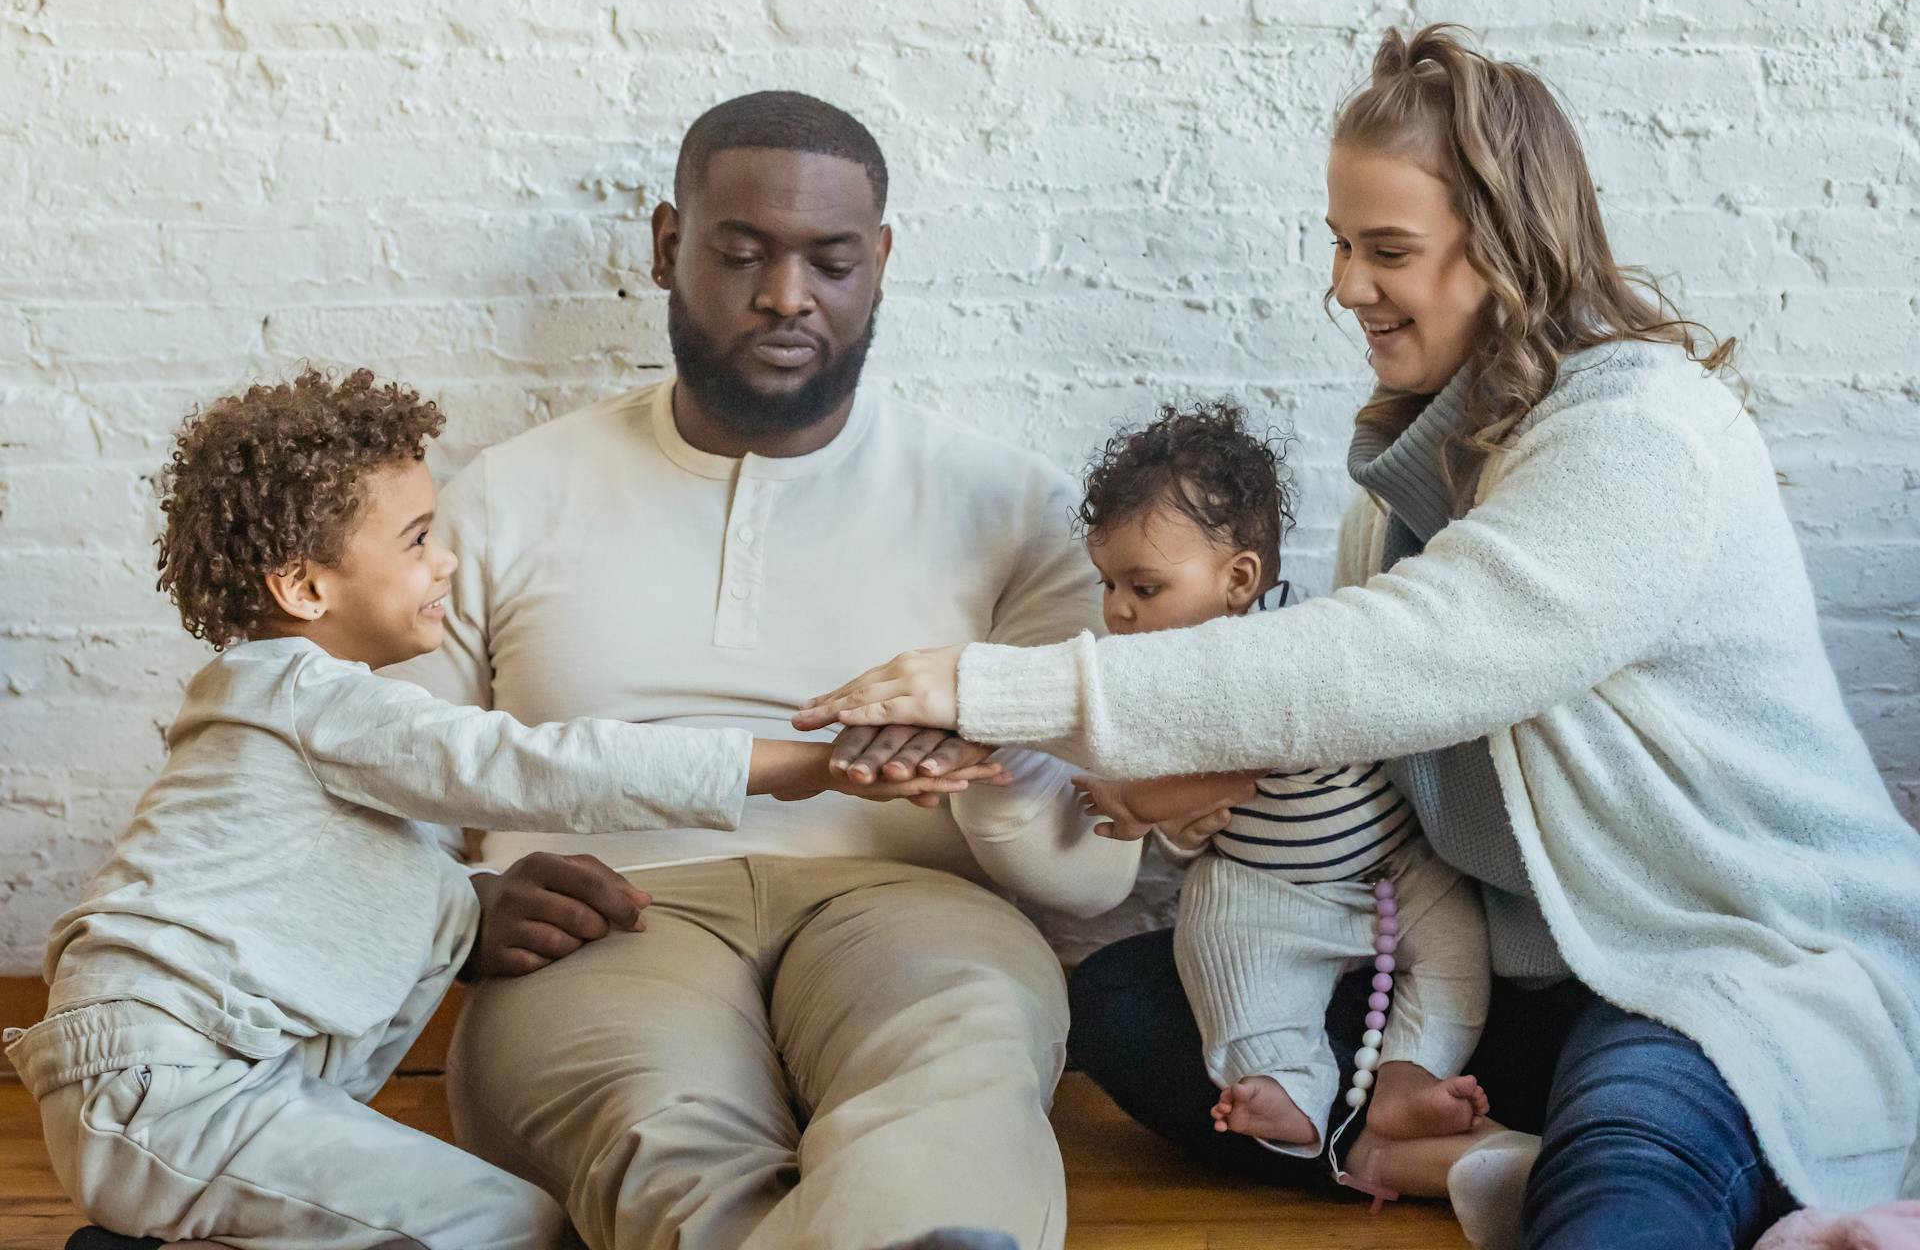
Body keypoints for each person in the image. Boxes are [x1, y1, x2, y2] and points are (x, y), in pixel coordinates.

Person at [795, 25, 1920, 1250]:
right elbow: (1367, 731)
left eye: (1387, 250)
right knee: (1124, 1001)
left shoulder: (1639, 438)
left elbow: (1394, 659)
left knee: (1624, 1182)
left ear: (1508, 250)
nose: (1344, 285)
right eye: (1340, 243)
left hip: (1717, 957)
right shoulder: (1417, 468)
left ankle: (1542, 1165)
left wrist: (987, 684)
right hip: (1526, 959)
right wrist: (1215, 783)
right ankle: (1479, 1149)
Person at [388, 91, 1138, 1250]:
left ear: (880, 263)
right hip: (606, 912)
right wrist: (459, 909)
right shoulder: (505, 495)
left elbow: (1087, 877)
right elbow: (385, 769)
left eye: (831, 260)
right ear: (665, 245)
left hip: (915, 902)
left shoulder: (1014, 509)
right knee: (655, 1117)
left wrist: (977, 753)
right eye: (742, 253)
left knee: (960, 1057)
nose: (787, 295)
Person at [5, 369, 976, 1250]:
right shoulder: (314, 696)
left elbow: (324, 885)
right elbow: (534, 764)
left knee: (456, 1223)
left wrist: (472, 906)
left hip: (179, 1078)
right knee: (501, 1222)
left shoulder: (291, 713)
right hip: (164, 1081)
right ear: (304, 585)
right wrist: (793, 766)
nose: (449, 563)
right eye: (419, 540)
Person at [1065, 401, 1495, 1173]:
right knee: (1221, 948)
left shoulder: (1278, 653)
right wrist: (1178, 826)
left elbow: (1236, 768)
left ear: (1238, 580)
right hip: (1265, 887)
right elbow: (1200, 801)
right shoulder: (1151, 678)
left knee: (1460, 949)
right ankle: (1282, 1083)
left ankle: (1406, 1078)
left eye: (1145, 586)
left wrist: (1135, 803)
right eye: (1108, 583)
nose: (1119, 608)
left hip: (1391, 871)